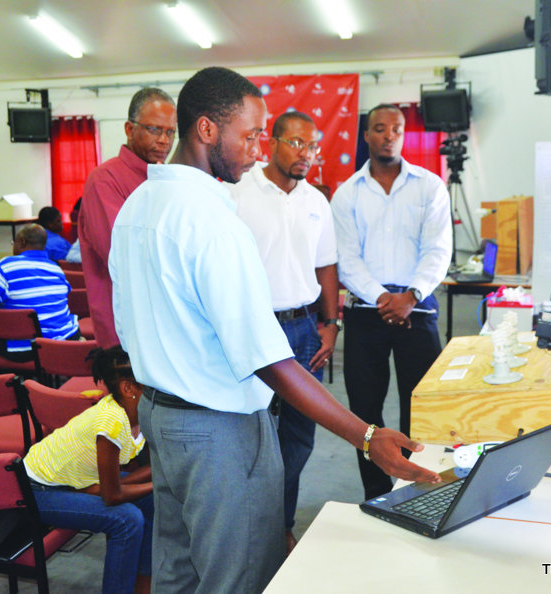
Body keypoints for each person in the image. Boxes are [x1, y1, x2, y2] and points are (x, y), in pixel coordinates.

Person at [109, 66, 440, 594]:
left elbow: (126, 323)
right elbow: (269, 360)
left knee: (176, 570)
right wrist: (368, 435)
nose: (257, 148)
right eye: (250, 134)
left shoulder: (136, 207)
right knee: (236, 573)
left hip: (160, 417)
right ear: (207, 130)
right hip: (219, 431)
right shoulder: (213, 222)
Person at [229, 111, 339, 554]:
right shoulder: (238, 191)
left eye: (312, 147)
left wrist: (330, 325)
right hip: (255, 327)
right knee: (251, 433)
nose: (305, 154)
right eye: (296, 143)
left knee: (299, 434)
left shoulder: (316, 201)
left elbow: (326, 264)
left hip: (304, 328)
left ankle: (279, 521)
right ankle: (252, 528)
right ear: (272, 142)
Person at [331, 103, 453, 501]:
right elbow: (346, 259)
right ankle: (378, 494)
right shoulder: (347, 194)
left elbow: (438, 249)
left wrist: (410, 295)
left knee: (422, 406)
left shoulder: (429, 186)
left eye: (396, 129)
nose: (388, 135)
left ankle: (417, 489)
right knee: (366, 414)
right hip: (367, 312)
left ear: (403, 135)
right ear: (366, 136)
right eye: (379, 129)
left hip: (416, 311)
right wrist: (385, 298)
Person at [23, 346, 153, 594]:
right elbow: (112, 495)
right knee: (127, 519)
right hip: (38, 489)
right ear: (129, 389)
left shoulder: (138, 413)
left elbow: (117, 484)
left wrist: (161, 478)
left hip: (79, 482)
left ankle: (142, 586)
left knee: (151, 499)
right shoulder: (113, 422)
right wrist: (163, 481)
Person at [79, 87, 176, 348]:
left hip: (164, 325)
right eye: (155, 129)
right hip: (125, 330)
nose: (164, 140)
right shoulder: (105, 179)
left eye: (170, 132)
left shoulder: (166, 179)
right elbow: (122, 255)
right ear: (129, 129)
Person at [0, 223, 80, 362]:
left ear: (22, 242)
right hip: (64, 340)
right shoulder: (57, 269)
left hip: (26, 349)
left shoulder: (7, 265)